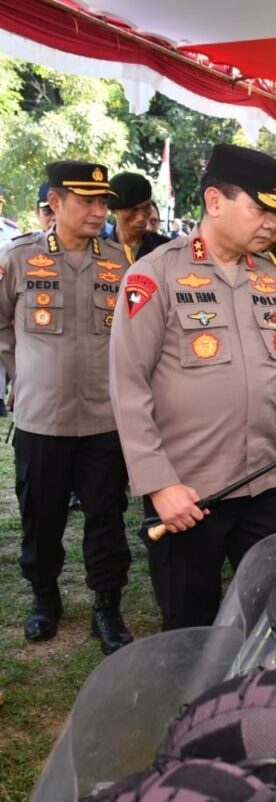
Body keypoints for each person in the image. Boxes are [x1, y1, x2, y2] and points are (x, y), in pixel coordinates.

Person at [109, 144, 276, 631]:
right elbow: (128, 386)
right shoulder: (155, 274)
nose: (273, 223)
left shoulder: (273, 279)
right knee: (190, 622)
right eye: (261, 209)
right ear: (215, 201)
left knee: (271, 617)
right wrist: (159, 484)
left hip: (268, 482)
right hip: (189, 492)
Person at [0, 161, 133, 653]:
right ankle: (44, 598)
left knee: (107, 516)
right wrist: (21, 373)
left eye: (103, 202)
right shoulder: (19, 258)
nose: (99, 211)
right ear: (55, 203)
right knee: (41, 514)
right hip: (42, 417)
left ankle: (107, 605)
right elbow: (1, 323)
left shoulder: (119, 260)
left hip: (104, 417)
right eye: (87, 201)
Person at [105, 172, 170, 263]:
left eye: (146, 208)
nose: (141, 218)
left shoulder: (167, 250)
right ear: (113, 210)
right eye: (133, 210)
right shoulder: (96, 251)